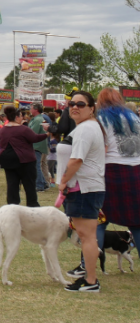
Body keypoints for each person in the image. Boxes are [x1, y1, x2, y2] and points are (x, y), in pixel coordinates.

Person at [58, 90, 106, 292]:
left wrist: (63, 181)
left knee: (87, 237)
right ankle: (90, 278)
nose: (75, 107)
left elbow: (77, 159)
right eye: (71, 104)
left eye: (81, 104)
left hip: (84, 189)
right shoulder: (87, 127)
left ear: (92, 108)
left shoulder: (86, 129)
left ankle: (91, 281)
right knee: (88, 236)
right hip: (86, 188)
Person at [90, 88, 140, 263]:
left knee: (99, 220)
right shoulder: (134, 118)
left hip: (111, 171)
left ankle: (88, 264)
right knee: (136, 223)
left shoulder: (101, 119)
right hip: (135, 171)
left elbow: (101, 150)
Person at [0, 106, 47, 207]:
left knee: (12, 185)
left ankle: (12, 205)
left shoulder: (2, 130)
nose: (22, 118)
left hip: (7, 159)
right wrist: (47, 134)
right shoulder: (23, 129)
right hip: (25, 159)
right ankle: (32, 205)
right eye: (21, 116)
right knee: (29, 185)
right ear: (16, 117)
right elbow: (35, 138)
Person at [28, 103, 50, 191]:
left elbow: (32, 133)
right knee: (38, 165)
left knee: (36, 165)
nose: (30, 109)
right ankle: (43, 183)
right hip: (38, 145)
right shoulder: (39, 118)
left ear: (36, 109)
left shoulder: (37, 120)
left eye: (31, 108)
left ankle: (40, 185)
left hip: (36, 145)